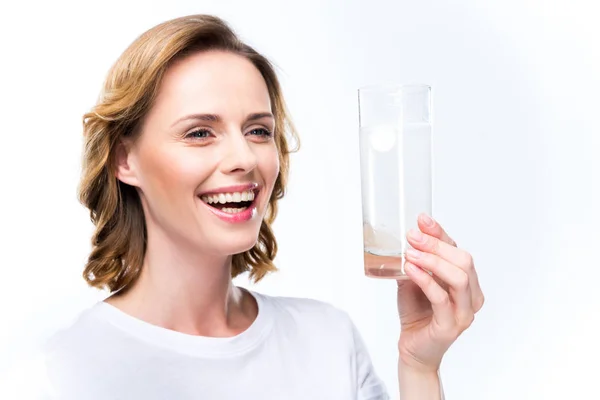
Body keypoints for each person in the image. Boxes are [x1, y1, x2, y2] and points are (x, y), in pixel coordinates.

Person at [2, 14, 484, 400]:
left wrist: (420, 367)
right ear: (125, 158)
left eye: (258, 130)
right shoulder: (56, 374)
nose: (244, 159)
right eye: (199, 132)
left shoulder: (327, 342)